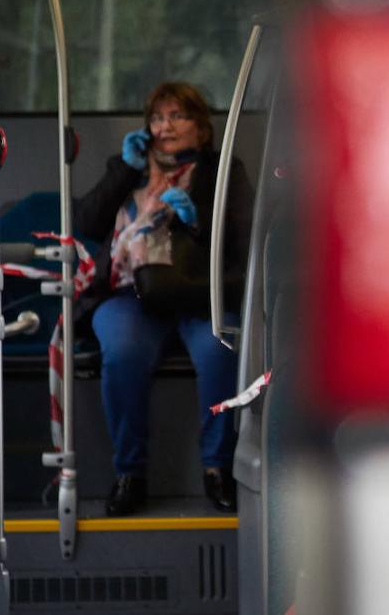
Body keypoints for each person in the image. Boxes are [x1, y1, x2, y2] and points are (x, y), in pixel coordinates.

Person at [76, 81, 254, 516]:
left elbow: (240, 242)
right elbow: (88, 223)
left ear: (202, 128)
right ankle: (129, 474)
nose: (165, 126)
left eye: (178, 116)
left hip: (196, 291)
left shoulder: (223, 170)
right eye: (158, 117)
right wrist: (123, 170)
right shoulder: (130, 168)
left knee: (219, 349)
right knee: (122, 352)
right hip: (129, 293)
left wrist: (195, 224)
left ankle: (218, 469)